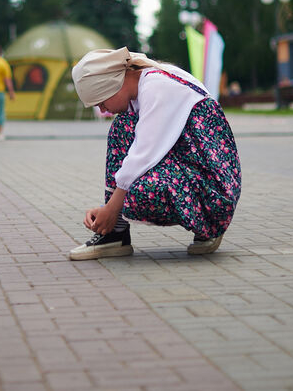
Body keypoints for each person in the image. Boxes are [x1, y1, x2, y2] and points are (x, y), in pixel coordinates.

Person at [67, 47, 241, 261]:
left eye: (101, 102)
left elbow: (144, 154)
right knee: (123, 127)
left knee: (141, 191)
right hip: (192, 172)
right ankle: (115, 234)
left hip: (214, 196)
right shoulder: (147, 83)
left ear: (113, 85)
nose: (103, 110)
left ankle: (210, 225)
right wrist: (109, 208)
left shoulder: (156, 86)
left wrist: (111, 209)